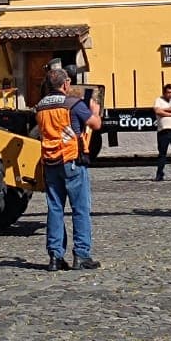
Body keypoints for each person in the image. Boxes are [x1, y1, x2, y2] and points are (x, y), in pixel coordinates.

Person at [34, 64, 102, 271]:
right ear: (65, 83)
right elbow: (95, 124)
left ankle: (55, 256)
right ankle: (81, 255)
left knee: (55, 208)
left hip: (50, 160)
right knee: (80, 209)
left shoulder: (41, 106)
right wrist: (95, 111)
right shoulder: (72, 103)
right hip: (71, 159)